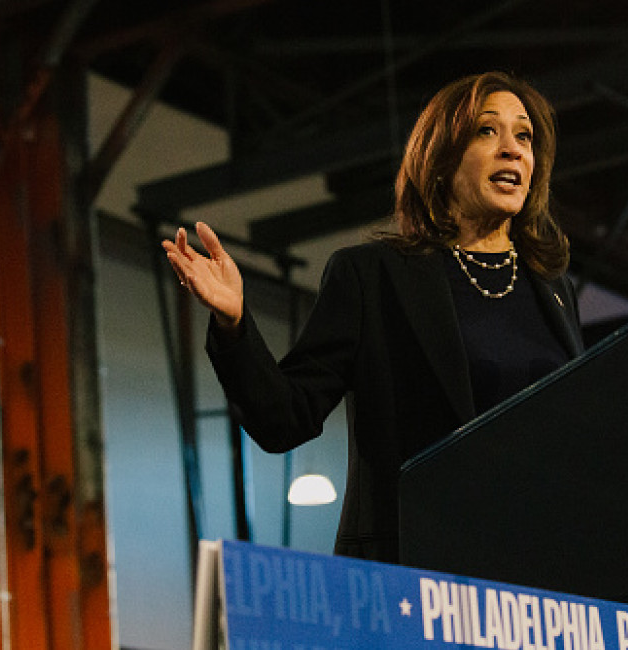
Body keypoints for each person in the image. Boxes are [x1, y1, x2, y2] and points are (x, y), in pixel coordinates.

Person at [162, 71, 584, 563]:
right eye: (486, 131)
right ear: (442, 160)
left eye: (524, 135)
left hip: (544, 573)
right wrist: (235, 324)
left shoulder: (554, 290)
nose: (512, 148)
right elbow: (285, 418)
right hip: (417, 571)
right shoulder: (374, 277)